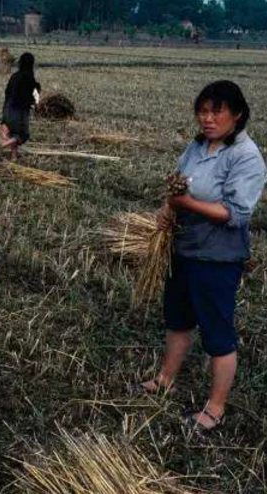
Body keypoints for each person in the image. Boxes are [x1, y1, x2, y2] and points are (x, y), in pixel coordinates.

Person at [136, 80, 265, 432]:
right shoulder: (197, 147)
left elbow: (236, 213)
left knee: (217, 333)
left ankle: (215, 408)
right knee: (177, 319)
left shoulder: (246, 157)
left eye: (216, 111)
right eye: (203, 111)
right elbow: (177, 185)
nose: (207, 119)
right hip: (184, 248)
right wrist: (168, 211)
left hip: (217, 259)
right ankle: (165, 379)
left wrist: (186, 204)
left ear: (237, 115)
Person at [1, 52, 41, 161]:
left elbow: (7, 91)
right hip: (19, 110)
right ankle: (4, 144)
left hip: (7, 107)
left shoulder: (14, 76)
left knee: (11, 130)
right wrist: (35, 105)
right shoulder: (29, 78)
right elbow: (33, 96)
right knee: (23, 135)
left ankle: (13, 156)